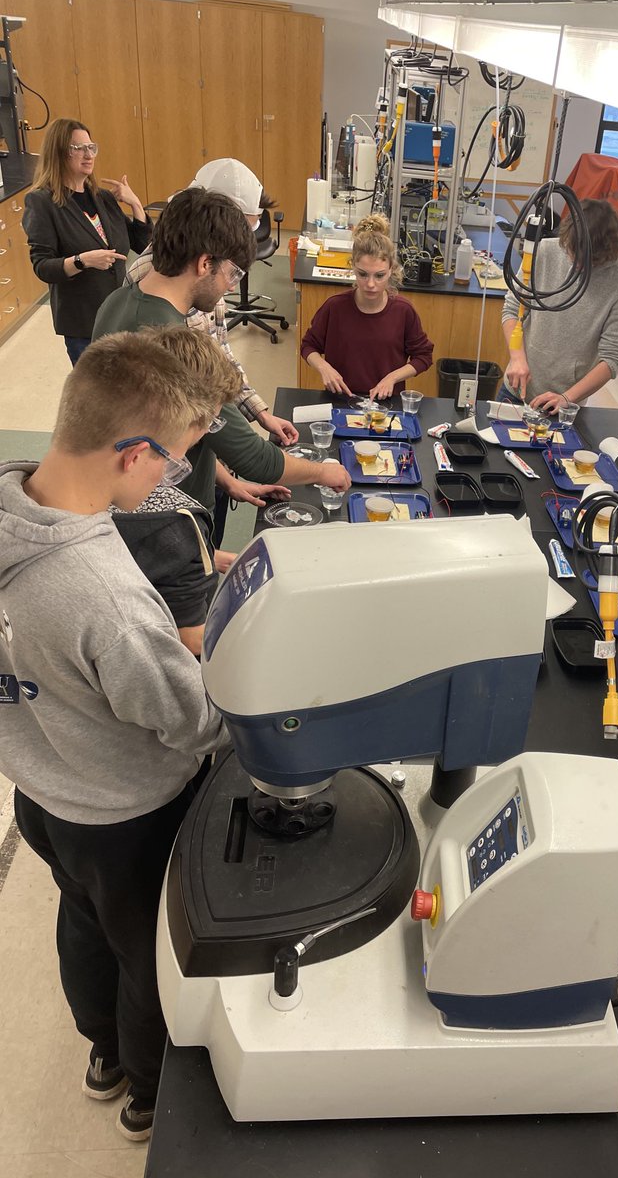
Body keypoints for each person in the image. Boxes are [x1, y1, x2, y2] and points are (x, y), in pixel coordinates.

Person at [0, 333, 231, 1142]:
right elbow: (188, 716)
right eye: (170, 463)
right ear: (133, 454)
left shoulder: (11, 499)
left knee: (83, 923)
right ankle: (146, 1089)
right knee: (148, 954)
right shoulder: (101, 593)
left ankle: (101, 1053)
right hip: (128, 813)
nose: (171, 479)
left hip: (41, 794)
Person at [93, 187, 350, 510]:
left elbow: (165, 429)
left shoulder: (117, 302)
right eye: (232, 274)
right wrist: (325, 472)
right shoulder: (175, 347)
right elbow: (255, 458)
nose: (231, 286)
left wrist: (225, 479)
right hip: (171, 513)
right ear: (204, 263)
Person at [125, 158, 299, 449]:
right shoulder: (165, 282)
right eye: (239, 230)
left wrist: (259, 411)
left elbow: (218, 352)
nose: (240, 244)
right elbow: (198, 387)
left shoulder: (208, 273)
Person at [111, 326, 245, 657]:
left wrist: (206, 558)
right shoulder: (175, 522)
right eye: (210, 424)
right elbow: (194, 644)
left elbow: (130, 552)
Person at [23, 118, 151, 365]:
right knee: (97, 398)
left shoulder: (102, 197)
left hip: (118, 314)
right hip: (82, 322)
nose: (88, 154)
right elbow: (42, 266)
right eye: (78, 148)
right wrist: (82, 261)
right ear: (59, 153)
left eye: (91, 147)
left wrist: (135, 204)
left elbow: (141, 245)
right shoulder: (41, 202)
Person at [499, 198, 618, 412]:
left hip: (565, 403)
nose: (579, 266)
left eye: (589, 261)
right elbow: (512, 309)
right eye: (574, 256)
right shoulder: (544, 251)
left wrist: (566, 397)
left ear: (607, 252)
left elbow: (612, 358)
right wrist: (517, 358)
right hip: (517, 388)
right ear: (566, 241)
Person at [300, 213, 434, 399]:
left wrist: (392, 378)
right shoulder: (335, 308)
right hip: (341, 400)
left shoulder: (403, 311)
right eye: (363, 274)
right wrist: (324, 368)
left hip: (386, 405)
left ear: (391, 271)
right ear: (352, 267)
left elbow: (424, 356)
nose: (370, 284)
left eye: (379, 276)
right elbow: (308, 346)